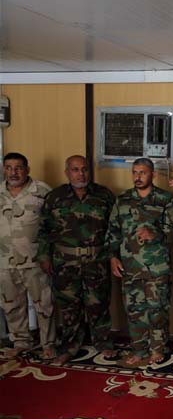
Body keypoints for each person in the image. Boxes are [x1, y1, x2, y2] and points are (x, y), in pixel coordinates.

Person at [37, 155, 117, 364]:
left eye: (84, 169)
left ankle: (103, 342)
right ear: (67, 172)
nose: (81, 174)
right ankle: (70, 346)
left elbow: (114, 229)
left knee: (98, 303)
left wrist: (113, 256)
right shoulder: (55, 197)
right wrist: (44, 257)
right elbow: (44, 229)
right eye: (75, 169)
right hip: (65, 262)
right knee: (69, 306)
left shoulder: (104, 195)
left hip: (96, 261)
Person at [106, 158, 173, 365]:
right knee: (134, 310)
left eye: (143, 173)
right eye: (135, 172)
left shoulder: (164, 199)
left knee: (157, 309)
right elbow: (113, 231)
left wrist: (156, 233)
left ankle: (157, 349)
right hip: (129, 266)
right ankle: (139, 349)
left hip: (157, 267)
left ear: (153, 175)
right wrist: (113, 256)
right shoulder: (123, 200)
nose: (138, 177)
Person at [0, 153, 56, 359]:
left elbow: (54, 225)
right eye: (8, 167)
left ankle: (48, 344)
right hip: (4, 262)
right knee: (11, 305)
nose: (13, 172)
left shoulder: (42, 191)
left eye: (18, 167)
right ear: (4, 169)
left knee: (45, 305)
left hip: (35, 261)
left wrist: (48, 255)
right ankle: (21, 342)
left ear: (27, 169)